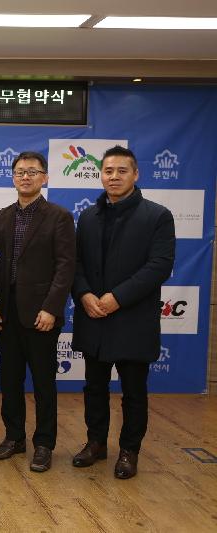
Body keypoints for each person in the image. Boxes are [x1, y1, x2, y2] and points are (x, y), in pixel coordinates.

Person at [71, 146, 175, 479]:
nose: (114, 177)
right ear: (100, 175)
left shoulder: (157, 216)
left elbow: (159, 266)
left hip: (133, 319)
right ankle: (96, 443)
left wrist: (117, 297)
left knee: (133, 393)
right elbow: (76, 263)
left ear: (135, 174)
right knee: (94, 388)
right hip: (94, 317)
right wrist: (84, 294)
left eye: (121, 171)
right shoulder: (88, 216)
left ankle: (130, 450)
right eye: (108, 171)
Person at [0, 151, 75, 473]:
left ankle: (44, 444)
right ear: (13, 177)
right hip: (6, 313)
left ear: (45, 177)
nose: (26, 177)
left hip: (41, 315)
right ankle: (14, 437)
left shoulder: (59, 216)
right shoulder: (2, 217)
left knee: (43, 382)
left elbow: (66, 267)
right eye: (20, 172)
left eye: (33, 172)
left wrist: (51, 308)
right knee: (9, 380)